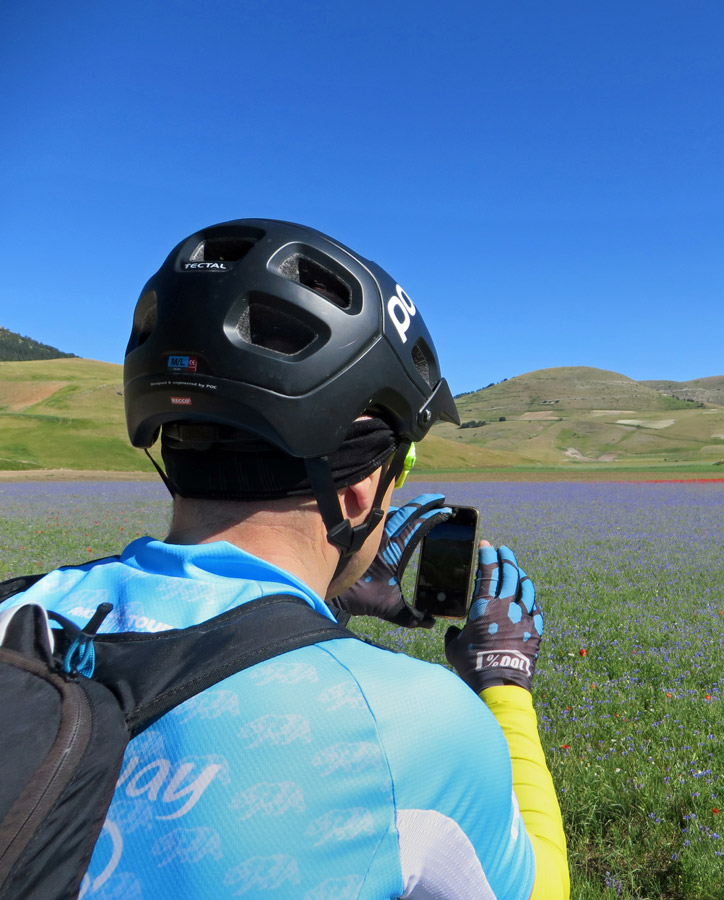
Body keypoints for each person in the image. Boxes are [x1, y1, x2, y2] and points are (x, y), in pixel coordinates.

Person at [8, 219, 569, 899]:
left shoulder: (19, 605)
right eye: (406, 465)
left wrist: (316, 602)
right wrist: (502, 681)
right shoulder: (414, 726)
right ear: (361, 489)